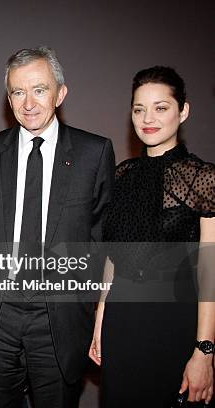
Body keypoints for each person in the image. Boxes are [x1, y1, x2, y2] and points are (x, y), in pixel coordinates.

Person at [0, 46, 115, 408]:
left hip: (60, 321)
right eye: (18, 91)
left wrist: (88, 307)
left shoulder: (93, 153)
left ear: (60, 93)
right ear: (9, 98)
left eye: (39, 89)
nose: (28, 102)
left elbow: (101, 240)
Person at [89, 66, 215, 407]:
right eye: (139, 108)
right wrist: (101, 318)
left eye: (161, 107)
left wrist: (204, 351)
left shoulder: (203, 177)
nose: (148, 118)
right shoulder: (123, 175)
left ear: (183, 111)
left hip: (174, 322)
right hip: (123, 320)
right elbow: (114, 256)